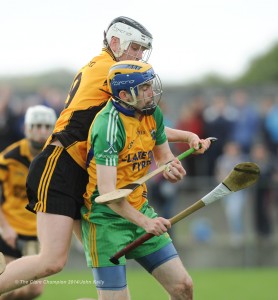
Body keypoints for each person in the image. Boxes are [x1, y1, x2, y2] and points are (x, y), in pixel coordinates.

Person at [0, 16, 209, 295]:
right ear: (115, 42)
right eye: (135, 47)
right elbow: (134, 117)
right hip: (60, 165)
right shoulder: (109, 69)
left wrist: (182, 138)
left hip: (82, 170)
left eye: (142, 50)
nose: (140, 56)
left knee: (96, 255)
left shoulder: (106, 67)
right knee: (51, 261)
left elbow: (140, 121)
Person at [81, 60, 212, 300]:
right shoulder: (109, 126)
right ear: (123, 94)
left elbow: (163, 157)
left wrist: (170, 169)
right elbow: (107, 193)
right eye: (144, 88)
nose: (151, 92)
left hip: (140, 209)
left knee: (183, 287)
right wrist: (145, 223)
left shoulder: (152, 113)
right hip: (106, 222)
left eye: (150, 85)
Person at [0, 105, 56, 299]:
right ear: (27, 128)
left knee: (34, 289)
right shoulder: (8, 158)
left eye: (47, 126)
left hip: (38, 233)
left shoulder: (57, 159)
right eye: (37, 126)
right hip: (10, 233)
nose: (42, 132)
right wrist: (5, 227)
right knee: (5, 286)